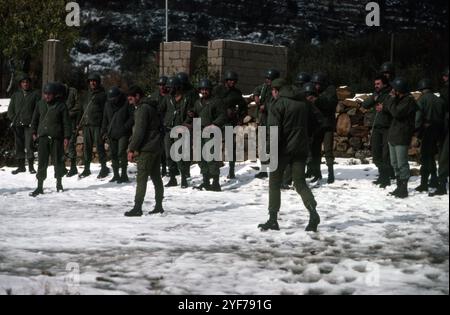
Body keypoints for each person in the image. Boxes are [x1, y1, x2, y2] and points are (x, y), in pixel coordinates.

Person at [258, 79, 320, 232]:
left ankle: (273, 219)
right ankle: (313, 213)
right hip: (301, 149)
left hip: (282, 150)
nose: (272, 93)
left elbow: (274, 131)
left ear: (276, 90)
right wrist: (307, 138)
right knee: (300, 183)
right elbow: (316, 122)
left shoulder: (278, 104)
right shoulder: (304, 103)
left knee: (274, 183)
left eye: (272, 90)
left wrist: (269, 152)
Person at [125, 86, 164, 217]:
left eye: (130, 96)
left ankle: (137, 207)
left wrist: (132, 148)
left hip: (147, 148)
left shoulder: (142, 109)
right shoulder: (151, 106)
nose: (128, 99)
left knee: (141, 178)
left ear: (137, 96)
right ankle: (159, 206)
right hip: (156, 146)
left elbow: (139, 132)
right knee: (156, 178)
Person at [29, 83, 71, 197]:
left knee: (58, 161)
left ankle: (59, 184)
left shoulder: (61, 105)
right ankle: (39, 186)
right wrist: (33, 132)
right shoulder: (40, 104)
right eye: (45, 94)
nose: (47, 96)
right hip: (42, 138)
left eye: (49, 94)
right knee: (42, 162)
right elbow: (34, 120)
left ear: (54, 95)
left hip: (56, 138)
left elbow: (66, 123)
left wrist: (67, 137)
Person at [382, 78, 418, 199]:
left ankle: (404, 188)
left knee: (402, 163)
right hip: (393, 135)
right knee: (394, 163)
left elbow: (396, 113)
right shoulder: (398, 99)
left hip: (402, 135)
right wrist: (391, 98)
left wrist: (391, 99)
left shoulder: (408, 101)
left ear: (399, 89)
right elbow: (387, 108)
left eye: (394, 89)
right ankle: (399, 186)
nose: (392, 90)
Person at [160, 77, 195, 188]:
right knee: (169, 154)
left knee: (179, 155)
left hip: (180, 129)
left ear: (177, 87)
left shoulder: (187, 99)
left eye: (170, 87)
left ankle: (184, 177)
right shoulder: (167, 98)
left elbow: (191, 114)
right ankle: (172, 178)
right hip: (168, 129)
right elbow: (160, 110)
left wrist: (186, 123)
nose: (168, 89)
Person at [193, 79, 227, 191]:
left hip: (212, 132)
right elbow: (195, 113)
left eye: (206, 89)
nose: (204, 91)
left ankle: (216, 183)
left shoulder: (217, 101)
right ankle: (206, 181)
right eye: (202, 89)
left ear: (210, 90)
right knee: (200, 157)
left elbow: (223, 115)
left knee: (211, 157)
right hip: (200, 131)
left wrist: (215, 124)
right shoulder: (198, 102)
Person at [213, 70, 248, 179]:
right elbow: (211, 103)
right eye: (230, 80)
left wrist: (239, 117)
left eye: (234, 81)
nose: (232, 82)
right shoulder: (217, 90)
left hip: (229, 122)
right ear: (226, 81)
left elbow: (243, 106)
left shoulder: (236, 93)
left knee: (230, 147)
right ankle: (213, 170)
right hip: (217, 121)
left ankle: (231, 171)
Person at [362, 75, 394, 188]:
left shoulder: (391, 93)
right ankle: (382, 175)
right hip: (376, 127)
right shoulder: (376, 94)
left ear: (384, 84)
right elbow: (365, 105)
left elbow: (394, 108)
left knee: (386, 155)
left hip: (387, 127)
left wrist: (384, 107)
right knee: (376, 154)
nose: (376, 86)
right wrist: (373, 98)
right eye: (375, 84)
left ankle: (385, 178)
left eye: (378, 84)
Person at [414, 78, 446, 192]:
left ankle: (424, 183)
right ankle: (434, 179)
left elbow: (418, 118)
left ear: (422, 89)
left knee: (426, 157)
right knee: (431, 157)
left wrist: (416, 131)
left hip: (427, 131)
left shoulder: (422, 100)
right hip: (439, 131)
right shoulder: (440, 100)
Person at [307, 72, 338, 184]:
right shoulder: (313, 91)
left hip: (327, 125)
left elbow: (330, 104)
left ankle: (331, 173)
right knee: (315, 150)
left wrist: (316, 100)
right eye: (314, 84)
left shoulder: (330, 91)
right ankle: (317, 173)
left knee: (328, 150)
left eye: (318, 84)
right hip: (317, 125)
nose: (316, 86)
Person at [7, 73, 40, 175]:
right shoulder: (15, 95)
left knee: (29, 145)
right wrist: (13, 119)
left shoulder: (35, 94)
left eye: (27, 82)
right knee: (19, 146)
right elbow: (10, 110)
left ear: (29, 83)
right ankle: (21, 167)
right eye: (23, 82)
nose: (25, 84)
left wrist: (34, 122)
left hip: (29, 125)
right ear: (20, 84)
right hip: (17, 125)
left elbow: (38, 110)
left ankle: (31, 167)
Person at [79, 73, 109, 179]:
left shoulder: (102, 95)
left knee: (100, 147)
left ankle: (104, 168)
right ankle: (87, 169)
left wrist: (104, 126)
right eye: (90, 81)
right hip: (87, 125)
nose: (92, 83)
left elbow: (106, 111)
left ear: (98, 82)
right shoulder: (86, 94)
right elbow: (82, 109)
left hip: (97, 125)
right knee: (86, 148)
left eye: (94, 81)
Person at [101, 87, 135, 184]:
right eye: (111, 99)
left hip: (123, 133)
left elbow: (132, 117)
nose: (113, 101)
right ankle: (116, 175)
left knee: (121, 153)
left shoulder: (126, 104)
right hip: (112, 133)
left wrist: (125, 127)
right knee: (113, 154)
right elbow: (105, 119)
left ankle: (124, 175)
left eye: (114, 99)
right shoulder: (107, 105)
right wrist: (103, 131)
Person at [253, 69, 280, 179]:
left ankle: (275, 170)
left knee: (273, 146)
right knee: (262, 146)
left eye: (269, 79)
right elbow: (258, 89)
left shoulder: (278, 89)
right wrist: (255, 95)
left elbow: (278, 103)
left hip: (273, 120)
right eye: (266, 78)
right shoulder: (264, 87)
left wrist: (266, 106)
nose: (267, 80)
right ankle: (263, 170)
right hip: (264, 119)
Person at [430, 66, 449, 196]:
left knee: (444, 156)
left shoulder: (446, 91)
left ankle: (442, 185)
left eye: (446, 76)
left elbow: (442, 108)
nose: (443, 78)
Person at [59, 83, 81, 177]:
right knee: (59, 144)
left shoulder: (73, 91)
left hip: (70, 121)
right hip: (59, 121)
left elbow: (79, 105)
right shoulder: (56, 91)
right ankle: (62, 167)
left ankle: (73, 168)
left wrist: (68, 113)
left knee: (71, 144)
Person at [151, 76, 170, 177]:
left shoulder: (170, 96)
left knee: (166, 149)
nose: (162, 87)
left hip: (167, 124)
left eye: (164, 85)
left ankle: (167, 168)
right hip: (157, 124)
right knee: (157, 148)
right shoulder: (154, 96)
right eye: (160, 85)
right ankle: (159, 168)